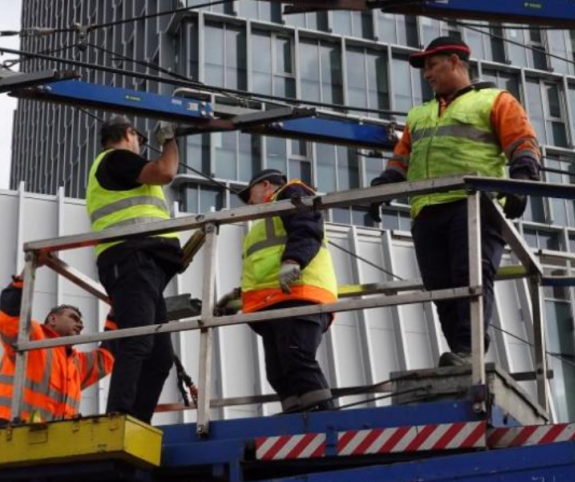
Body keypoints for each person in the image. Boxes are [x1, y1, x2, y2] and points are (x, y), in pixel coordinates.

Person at [367, 37, 541, 367]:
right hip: (426, 209)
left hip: (473, 204)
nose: (426, 74)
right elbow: (401, 163)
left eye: (432, 65)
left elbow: (522, 143)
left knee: (470, 277)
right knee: (440, 287)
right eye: (425, 68)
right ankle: (461, 354)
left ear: (456, 62)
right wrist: (382, 189)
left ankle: (470, 350)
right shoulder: (419, 115)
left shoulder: (495, 100)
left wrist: (523, 182)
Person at [86, 115, 182, 424]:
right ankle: (120, 418)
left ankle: (136, 422)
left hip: (139, 262)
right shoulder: (117, 160)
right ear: (129, 134)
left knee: (160, 357)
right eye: (139, 138)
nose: (141, 145)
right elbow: (165, 171)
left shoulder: (117, 166)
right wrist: (169, 140)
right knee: (139, 342)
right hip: (129, 259)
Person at [218, 169, 339, 413]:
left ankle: (326, 417)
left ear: (265, 185)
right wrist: (237, 296)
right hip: (274, 301)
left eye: (249, 194)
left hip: (298, 295)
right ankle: (296, 416)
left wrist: (294, 260)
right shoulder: (264, 223)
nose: (249, 202)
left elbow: (306, 227)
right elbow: (265, 267)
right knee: (278, 372)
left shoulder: (291, 192)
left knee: (297, 358)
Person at [0, 275, 114, 428]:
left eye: (81, 322)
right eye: (74, 318)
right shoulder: (34, 336)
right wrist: (23, 279)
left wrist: (115, 314)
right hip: (6, 427)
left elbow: (108, 355)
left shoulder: (75, 363)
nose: (80, 325)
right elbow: (9, 318)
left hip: (50, 438)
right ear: (52, 320)